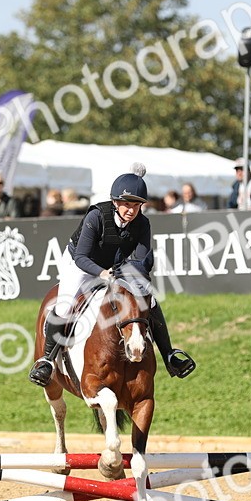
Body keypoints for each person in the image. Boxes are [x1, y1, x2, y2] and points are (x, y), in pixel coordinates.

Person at [28, 164, 196, 387]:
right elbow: (81, 258)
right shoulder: (96, 216)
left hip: (115, 266)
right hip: (81, 263)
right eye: (126, 204)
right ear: (115, 202)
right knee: (65, 306)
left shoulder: (143, 223)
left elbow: (143, 260)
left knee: (150, 299)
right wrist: (103, 273)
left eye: (136, 205)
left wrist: (129, 274)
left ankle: (169, 356)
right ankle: (47, 361)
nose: (131, 210)